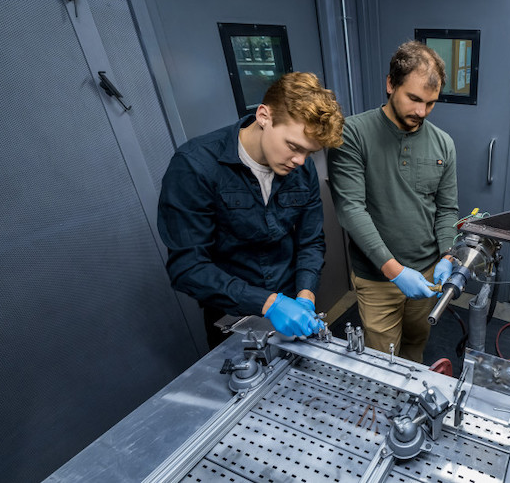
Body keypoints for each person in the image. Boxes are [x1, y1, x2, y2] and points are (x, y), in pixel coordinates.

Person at [158, 72, 344, 348]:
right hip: (231, 313)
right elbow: (188, 267)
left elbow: (310, 242)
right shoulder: (195, 166)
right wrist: (268, 303)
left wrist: (305, 295)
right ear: (264, 116)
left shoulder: (301, 168)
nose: (300, 161)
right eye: (293, 147)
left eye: (310, 153)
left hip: (291, 300)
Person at [329, 41, 459, 363]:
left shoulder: (443, 144)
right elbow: (351, 209)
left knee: (415, 346)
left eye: (430, 103)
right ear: (391, 84)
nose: (421, 112)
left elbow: (447, 210)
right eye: (413, 98)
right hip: (377, 279)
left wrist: (447, 254)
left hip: (428, 273)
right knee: (383, 361)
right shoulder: (352, 135)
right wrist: (395, 271)